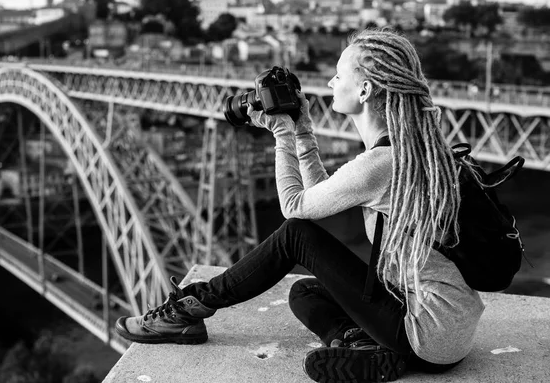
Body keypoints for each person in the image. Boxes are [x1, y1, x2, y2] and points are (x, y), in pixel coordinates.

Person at [114, 29, 485, 382]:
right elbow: (319, 195)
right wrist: (303, 129)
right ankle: (365, 347)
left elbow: (295, 208)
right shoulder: (414, 151)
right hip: (450, 325)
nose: (330, 84)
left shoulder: (380, 165)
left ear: (365, 90)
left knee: (296, 235)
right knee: (305, 293)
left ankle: (189, 308)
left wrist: (281, 134)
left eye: (339, 76)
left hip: (426, 336)